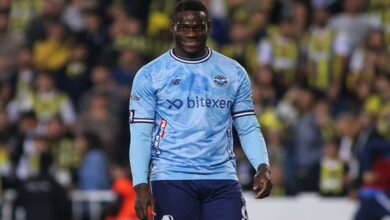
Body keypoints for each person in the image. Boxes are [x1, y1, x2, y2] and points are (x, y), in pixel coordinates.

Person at [129, 1, 272, 220]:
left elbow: (248, 127)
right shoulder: (150, 74)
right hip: (171, 178)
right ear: (172, 27)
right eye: (184, 27)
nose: (191, 33)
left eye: (198, 27)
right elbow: (140, 134)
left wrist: (263, 165)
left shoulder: (233, 72)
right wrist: (140, 183)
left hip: (222, 177)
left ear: (209, 26)